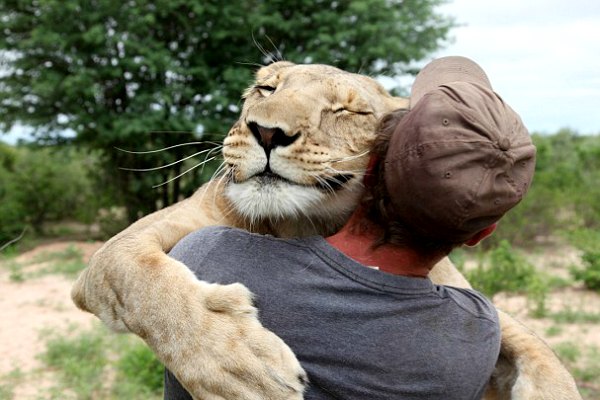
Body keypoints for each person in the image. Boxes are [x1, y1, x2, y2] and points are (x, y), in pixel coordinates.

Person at [163, 56, 536, 400]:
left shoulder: (209, 256)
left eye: (350, 111)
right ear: (481, 234)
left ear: (372, 165)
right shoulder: (477, 333)